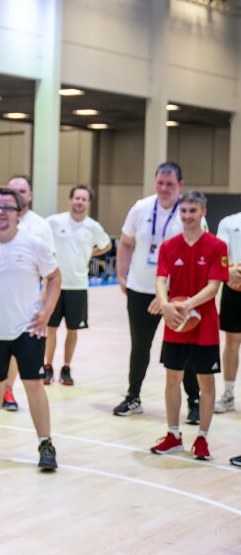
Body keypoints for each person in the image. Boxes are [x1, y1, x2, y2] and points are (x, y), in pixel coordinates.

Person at [0, 187, 61, 471]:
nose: (0, 213)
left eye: (6, 208)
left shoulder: (35, 244)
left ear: (19, 214)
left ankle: (45, 443)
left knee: (32, 386)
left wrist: (46, 313)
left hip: (28, 329)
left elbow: (54, 277)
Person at [114, 162, 202, 422]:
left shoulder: (188, 212)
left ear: (180, 185)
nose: (164, 189)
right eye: (160, 183)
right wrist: (122, 275)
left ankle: (194, 402)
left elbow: (197, 253)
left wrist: (173, 297)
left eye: (170, 184)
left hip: (177, 295)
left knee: (183, 347)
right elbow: (127, 243)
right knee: (139, 346)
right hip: (141, 289)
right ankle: (133, 397)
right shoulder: (141, 208)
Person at [148, 191, 227, 460]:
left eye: (192, 211)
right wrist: (165, 303)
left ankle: (202, 438)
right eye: (183, 211)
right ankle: (173, 435)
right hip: (175, 323)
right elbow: (160, 279)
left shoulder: (217, 246)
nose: (187, 216)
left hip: (204, 325)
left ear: (203, 212)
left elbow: (214, 287)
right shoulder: (168, 247)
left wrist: (186, 304)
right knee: (172, 378)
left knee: (206, 382)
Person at [44, 185, 112, 385]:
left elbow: (106, 244)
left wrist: (90, 253)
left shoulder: (93, 227)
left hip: (78, 285)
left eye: (84, 199)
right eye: (77, 198)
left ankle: (66, 367)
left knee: (73, 330)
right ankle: (47, 366)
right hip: (54, 285)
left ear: (88, 203)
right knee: (51, 328)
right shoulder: (54, 222)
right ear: (70, 200)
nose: (80, 202)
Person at [214, 200, 241, 416]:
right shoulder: (228, 223)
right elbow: (221, 255)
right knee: (231, 342)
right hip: (234, 288)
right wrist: (231, 271)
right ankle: (229, 394)